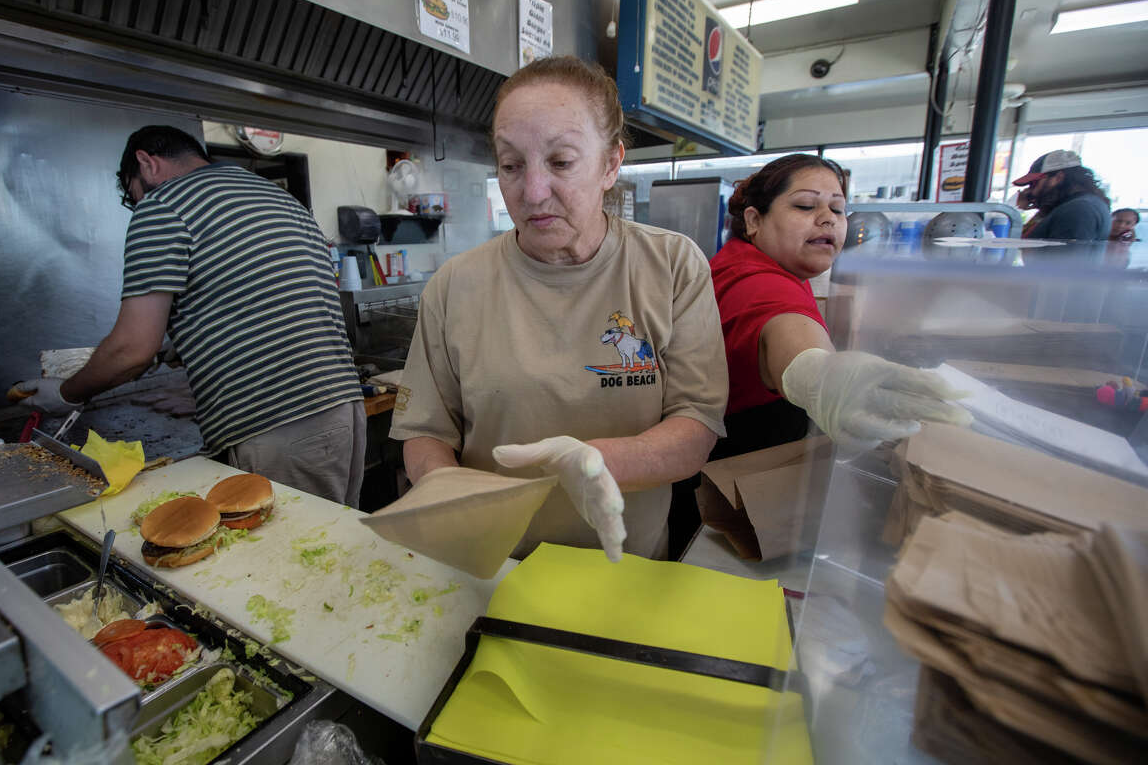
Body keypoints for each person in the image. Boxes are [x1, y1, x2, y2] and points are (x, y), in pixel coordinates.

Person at [389, 56, 728, 563]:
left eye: (561, 162)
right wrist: (453, 496)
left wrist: (598, 462)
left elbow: (695, 425)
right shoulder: (455, 285)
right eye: (511, 165)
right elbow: (425, 433)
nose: (532, 192)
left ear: (611, 164)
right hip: (498, 565)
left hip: (627, 565)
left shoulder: (671, 266)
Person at [14, 126, 367, 506]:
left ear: (146, 163)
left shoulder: (163, 204)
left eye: (132, 196)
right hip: (342, 412)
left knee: (292, 559)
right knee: (332, 549)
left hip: (278, 426)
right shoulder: (275, 196)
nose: (137, 204)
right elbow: (271, 299)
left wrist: (65, 394)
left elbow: (132, 350)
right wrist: (188, 341)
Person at [709, 154, 971, 459]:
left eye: (838, 209)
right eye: (805, 206)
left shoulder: (749, 259)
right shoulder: (759, 283)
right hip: (738, 470)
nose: (828, 218)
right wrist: (818, 374)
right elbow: (783, 323)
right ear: (754, 220)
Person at [1012, 150, 1110, 241]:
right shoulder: (1075, 205)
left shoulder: (1078, 209)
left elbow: (1066, 258)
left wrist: (1013, 211)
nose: (1031, 192)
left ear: (1058, 177)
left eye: (1034, 183)